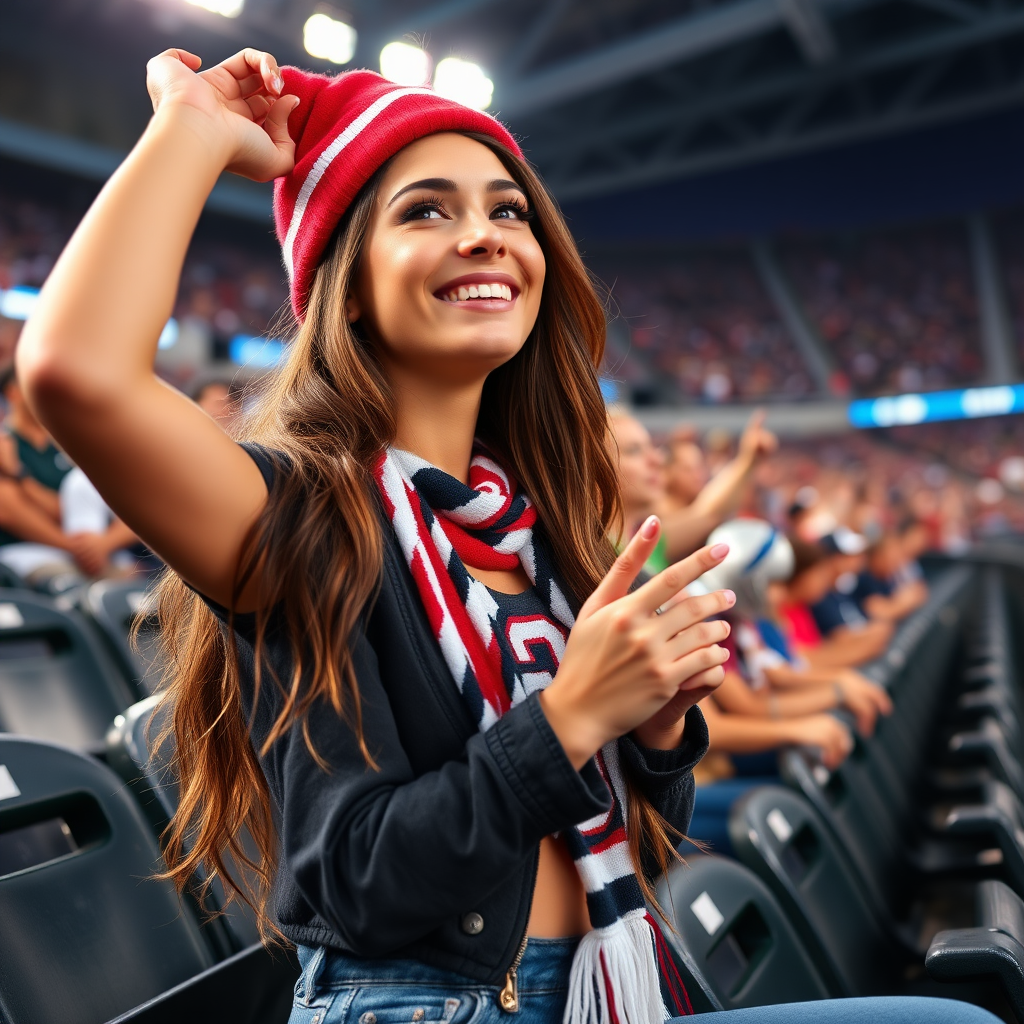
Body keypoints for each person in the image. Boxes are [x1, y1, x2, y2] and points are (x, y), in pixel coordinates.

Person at [17, 45, 998, 1024]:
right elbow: (76, 370)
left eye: (507, 209)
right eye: (426, 209)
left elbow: (633, 838)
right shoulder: (297, 513)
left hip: (615, 982)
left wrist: (654, 729)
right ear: (342, 284)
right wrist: (190, 127)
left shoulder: (538, 521)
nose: (484, 235)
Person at [607, 408, 776, 573]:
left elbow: (708, 513)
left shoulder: (647, 542)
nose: (657, 459)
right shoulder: (593, 558)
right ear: (591, 469)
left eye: (651, 447)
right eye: (634, 450)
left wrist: (748, 461)